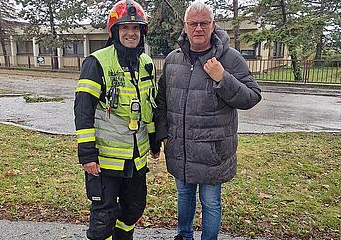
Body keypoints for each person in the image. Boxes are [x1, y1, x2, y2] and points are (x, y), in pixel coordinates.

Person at [155, 1, 262, 240]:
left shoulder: (230, 58)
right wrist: (162, 135)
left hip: (213, 151)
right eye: (193, 23)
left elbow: (252, 96)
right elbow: (161, 101)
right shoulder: (173, 60)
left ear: (213, 25)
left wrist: (223, 78)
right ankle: (184, 236)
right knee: (183, 196)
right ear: (185, 26)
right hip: (181, 148)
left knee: (211, 202)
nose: (199, 28)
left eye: (204, 23)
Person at [74, 0, 160, 239]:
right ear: (115, 31)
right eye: (125, 28)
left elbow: (149, 106)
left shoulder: (147, 63)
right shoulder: (97, 62)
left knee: (134, 209)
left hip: (136, 159)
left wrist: (154, 142)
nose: (131, 33)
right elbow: (83, 110)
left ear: (142, 32)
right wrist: (87, 155)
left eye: (136, 28)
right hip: (104, 160)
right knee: (103, 218)